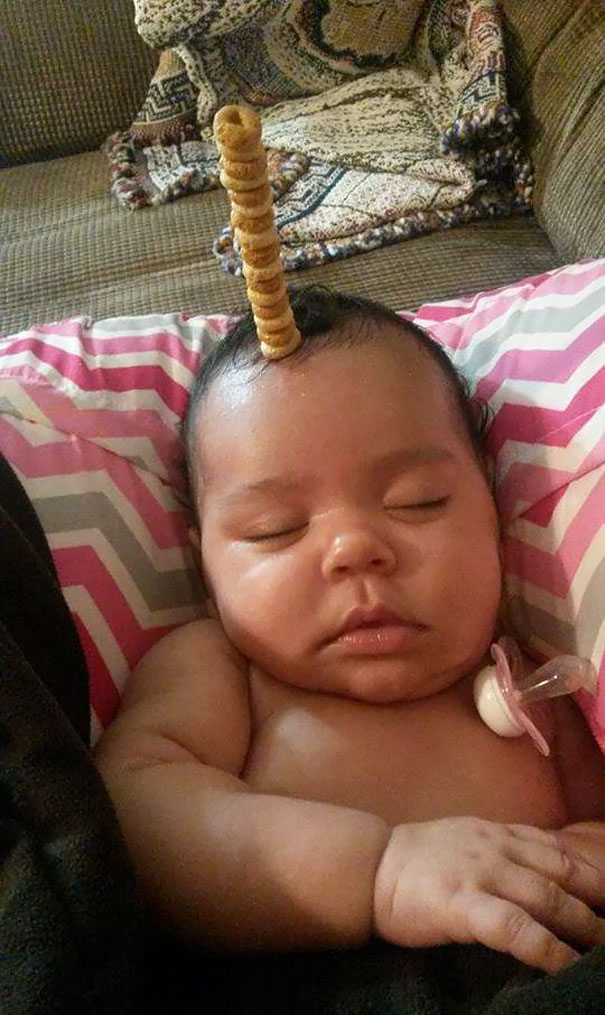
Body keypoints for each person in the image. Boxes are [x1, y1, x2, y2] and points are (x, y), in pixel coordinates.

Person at [95, 285, 605, 976]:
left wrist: (563, 863)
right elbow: (137, 812)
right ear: (205, 566)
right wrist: (380, 874)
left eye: (417, 501)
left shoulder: (534, 681)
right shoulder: (221, 669)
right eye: (274, 529)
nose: (354, 549)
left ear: (492, 506)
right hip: (301, 998)